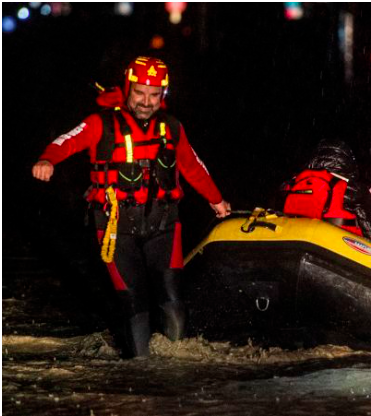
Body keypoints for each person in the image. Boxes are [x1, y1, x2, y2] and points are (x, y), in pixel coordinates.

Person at [31, 56, 231, 358]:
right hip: (115, 225)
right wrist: (47, 160)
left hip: (163, 222)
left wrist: (216, 199)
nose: (146, 102)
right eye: (139, 93)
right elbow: (65, 141)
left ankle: (178, 366)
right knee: (133, 299)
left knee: (172, 298)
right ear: (127, 89)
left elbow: (192, 166)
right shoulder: (100, 123)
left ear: (162, 95)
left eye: (154, 95)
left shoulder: (172, 126)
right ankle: (141, 370)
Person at [282, 140, 371, 246]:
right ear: (348, 162)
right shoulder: (354, 190)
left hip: (292, 242)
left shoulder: (292, 183)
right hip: (334, 249)